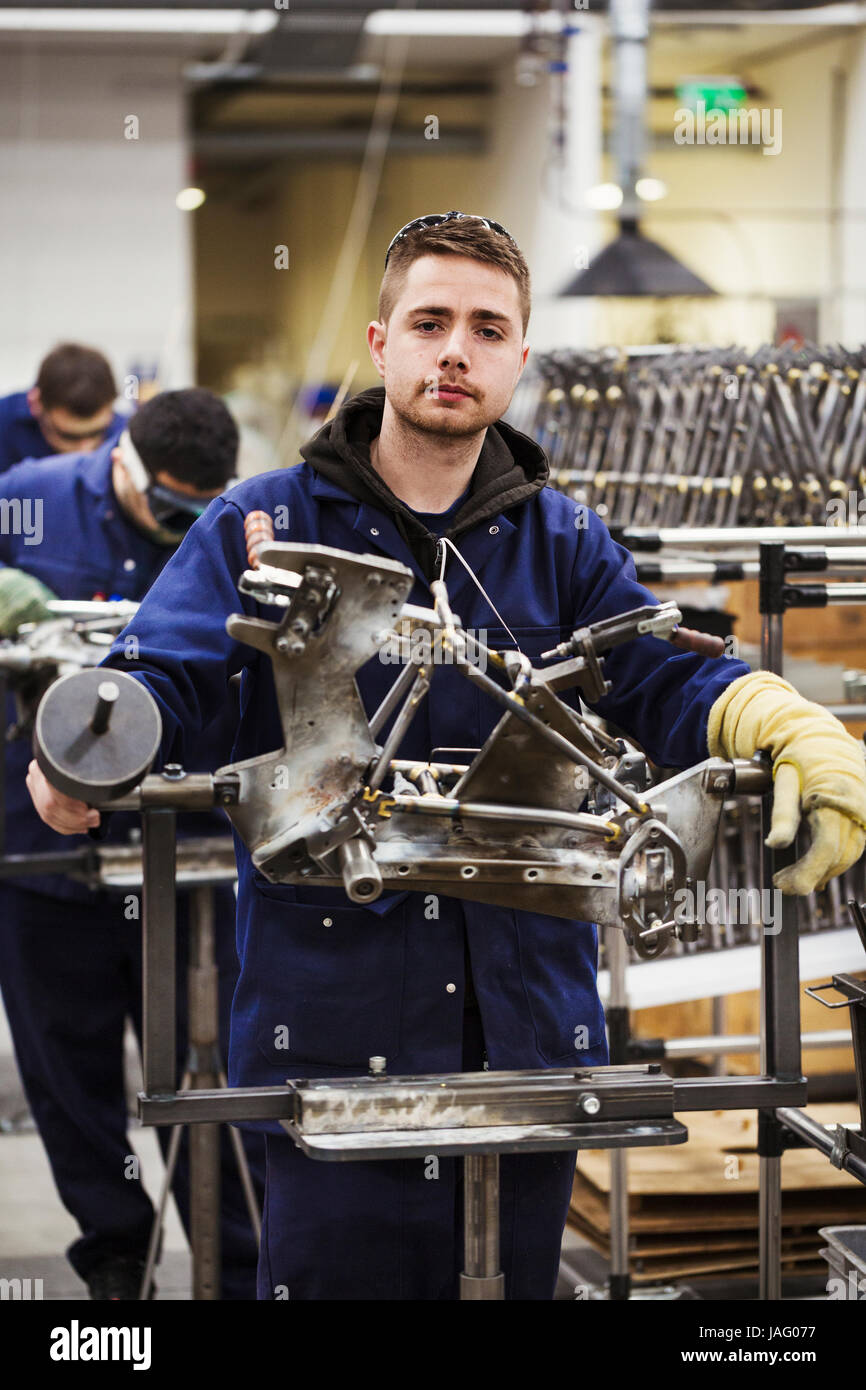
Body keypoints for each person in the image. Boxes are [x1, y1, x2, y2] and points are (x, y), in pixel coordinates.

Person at [28, 213, 866, 1300]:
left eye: (486, 327)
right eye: (429, 321)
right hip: (328, 1030)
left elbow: (659, 673)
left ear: (518, 357)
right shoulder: (261, 522)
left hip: (523, 1031)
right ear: (381, 345)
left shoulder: (562, 542)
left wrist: (778, 715)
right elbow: (168, 675)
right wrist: (93, 740)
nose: (454, 350)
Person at [0, 389, 263, 1299]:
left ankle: (234, 1257)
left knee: (206, 1063)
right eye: (170, 504)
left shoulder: (234, 529)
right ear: (122, 459)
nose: (185, 524)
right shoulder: (27, 496)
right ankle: (114, 1254)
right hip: (39, 850)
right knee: (66, 1066)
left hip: (183, 846)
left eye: (202, 507)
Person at [0, 342, 125, 475]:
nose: (86, 450)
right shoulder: (4, 421)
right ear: (35, 404)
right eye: (70, 437)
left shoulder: (126, 434)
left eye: (96, 433)